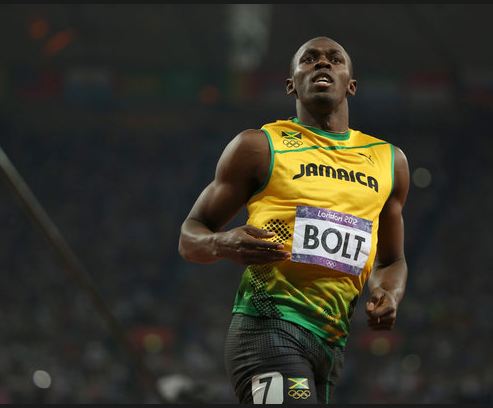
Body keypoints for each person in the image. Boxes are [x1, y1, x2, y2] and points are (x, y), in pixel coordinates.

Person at [178, 36, 409, 404]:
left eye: (334, 59)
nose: (322, 63)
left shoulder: (389, 161)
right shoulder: (258, 146)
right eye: (309, 59)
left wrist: (388, 293)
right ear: (291, 85)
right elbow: (190, 236)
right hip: (266, 327)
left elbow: (392, 260)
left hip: (331, 342)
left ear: (351, 84)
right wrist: (221, 242)